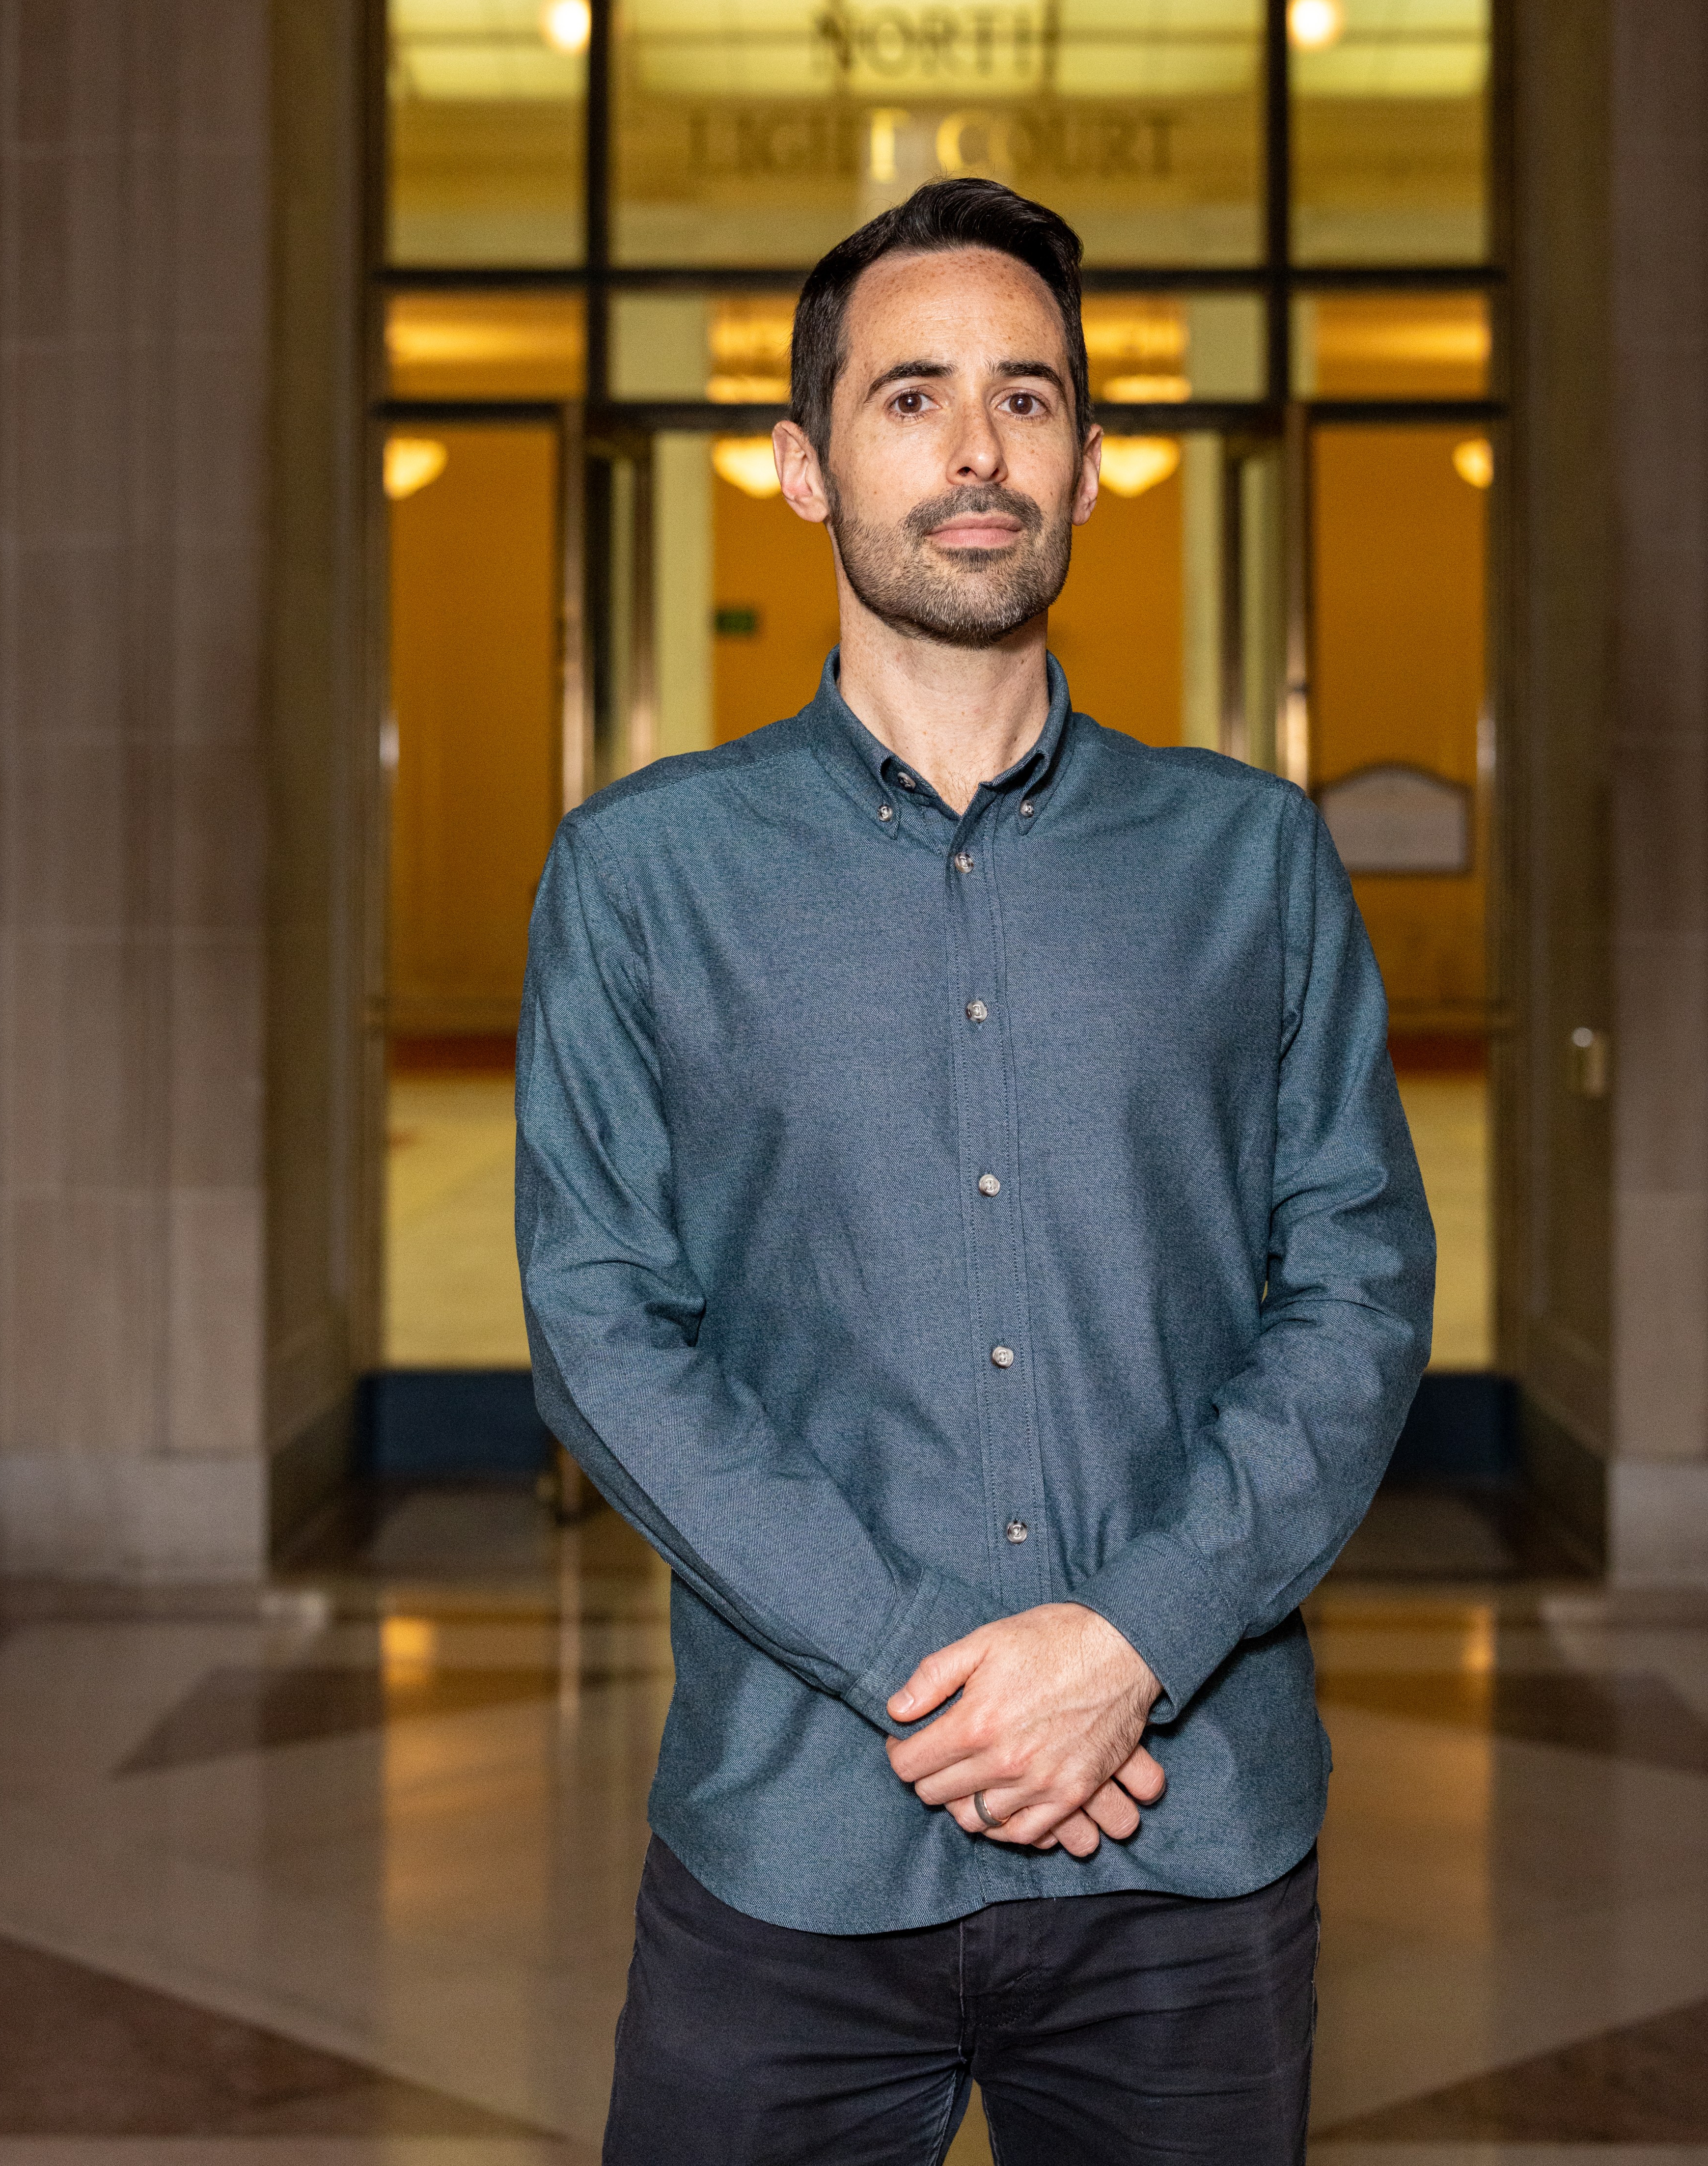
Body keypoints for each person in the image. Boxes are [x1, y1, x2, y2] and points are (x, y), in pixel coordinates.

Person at [516, 177, 1434, 2165]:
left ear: (1093, 467)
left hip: (1183, 1848)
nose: (975, 447)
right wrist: (952, 1681)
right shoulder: (640, 875)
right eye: (911, 394)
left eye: (1029, 397)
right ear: (799, 460)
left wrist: (1130, 1642)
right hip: (791, 1840)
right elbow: (603, 1324)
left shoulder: (1252, 859)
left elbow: (1355, 1287)